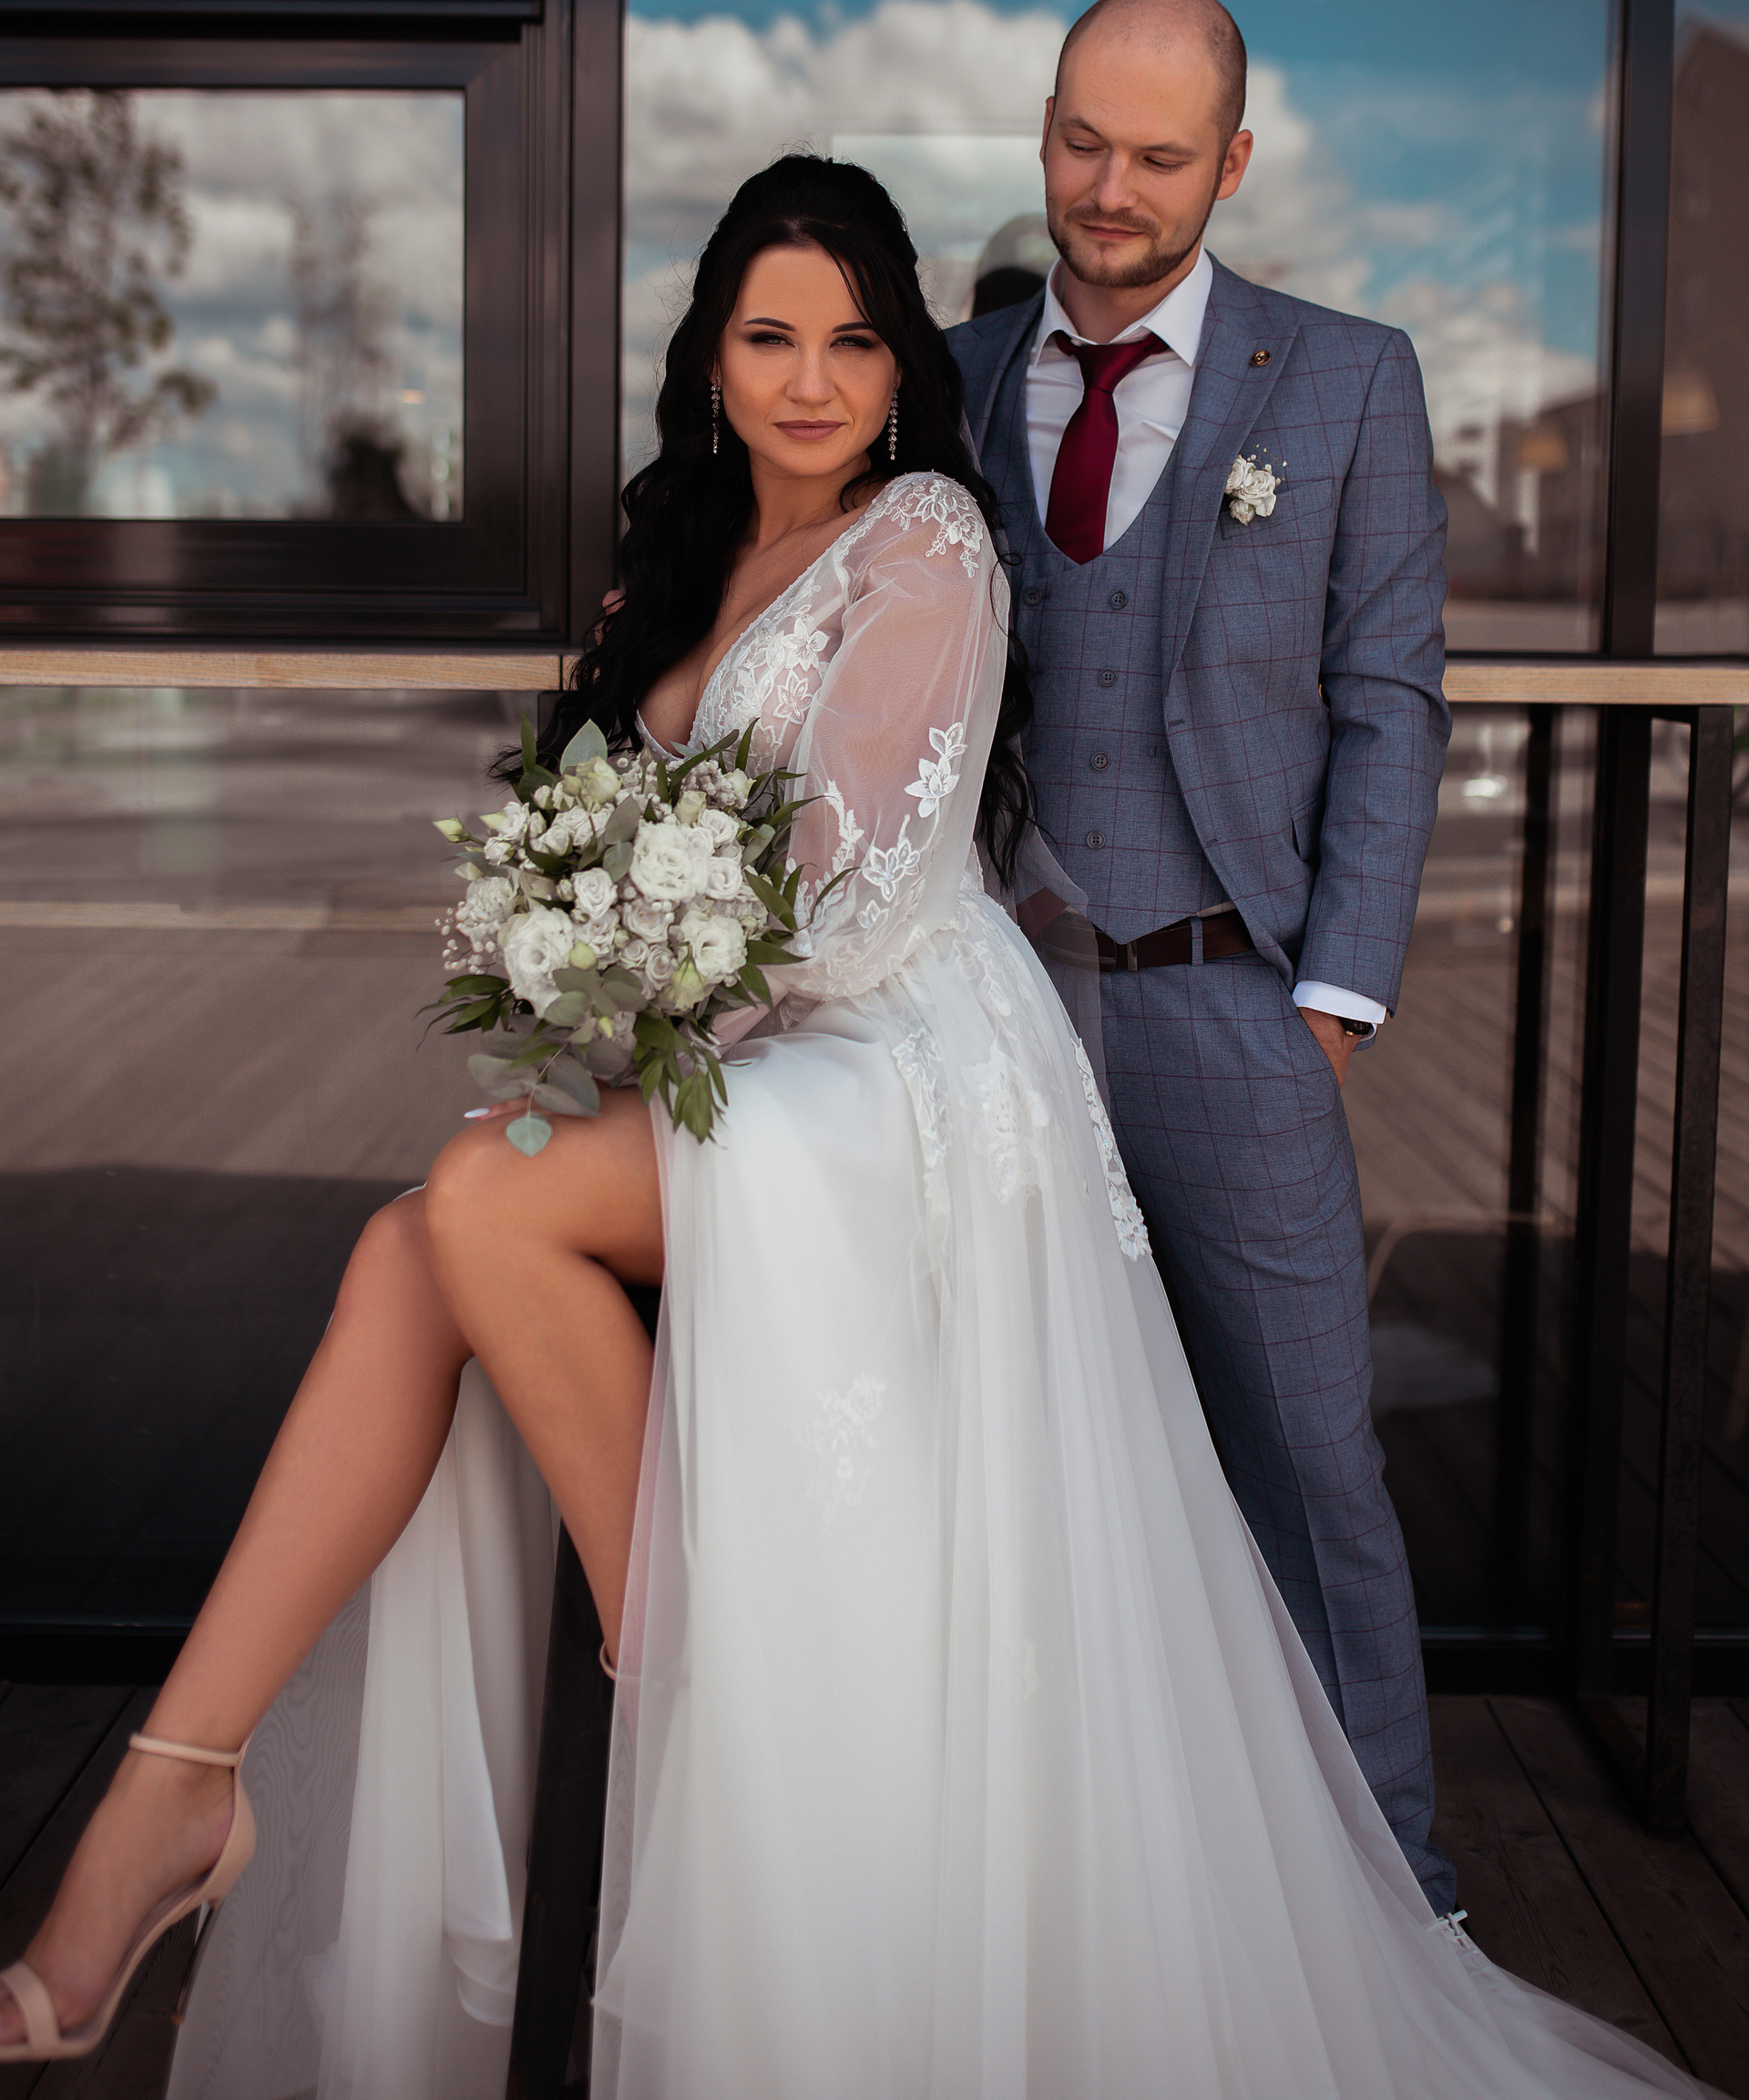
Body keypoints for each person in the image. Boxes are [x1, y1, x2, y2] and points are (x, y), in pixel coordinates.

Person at [0, 159, 1717, 2100]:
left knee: (482, 1194)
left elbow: (847, 903)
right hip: (738, 1047)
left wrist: (616, 1017)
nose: (811, 380)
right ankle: (182, 1783)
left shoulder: (927, 540)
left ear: (904, 369)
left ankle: (692, 1673)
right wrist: (575, 979)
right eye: (770, 338)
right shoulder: (684, 551)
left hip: (898, 1059)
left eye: (853, 341)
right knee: (417, 1240)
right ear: (712, 364)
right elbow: (642, 852)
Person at [948, 0, 1458, 1910]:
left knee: (1311, 1463)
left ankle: (1396, 1889)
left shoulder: (1346, 378)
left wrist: (1330, 1003)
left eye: (1159, 155)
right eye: (1083, 140)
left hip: (1236, 1002)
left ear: (1231, 164)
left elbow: (1391, 698)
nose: (1111, 186)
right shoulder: (949, 376)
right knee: (1010, 1451)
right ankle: (1070, 1880)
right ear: (1045, 127)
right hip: (985, 1012)